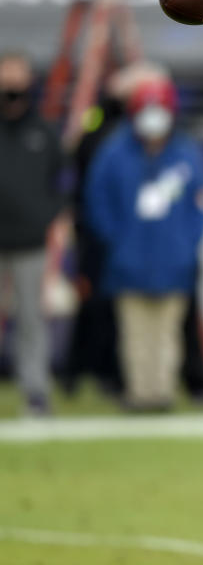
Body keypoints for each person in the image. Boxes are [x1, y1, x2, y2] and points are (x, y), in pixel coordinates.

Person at [84, 74, 203, 411]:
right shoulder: (114, 153)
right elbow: (98, 203)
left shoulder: (186, 154)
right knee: (135, 334)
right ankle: (140, 395)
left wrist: (187, 245)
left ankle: (163, 393)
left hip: (174, 262)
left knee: (168, 334)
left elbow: (201, 206)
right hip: (128, 262)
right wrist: (118, 241)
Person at [0, 51, 64, 416]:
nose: (10, 83)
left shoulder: (43, 130)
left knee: (31, 321)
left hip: (30, 242)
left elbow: (62, 181)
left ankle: (36, 392)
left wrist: (47, 215)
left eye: (16, 75)